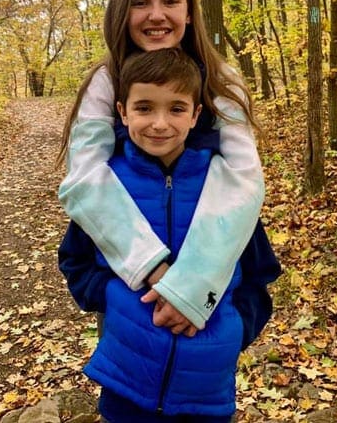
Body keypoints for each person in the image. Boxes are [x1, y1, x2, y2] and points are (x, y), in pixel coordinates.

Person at [57, 0, 265, 337]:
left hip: (213, 279)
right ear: (122, 12)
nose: (156, 14)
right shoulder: (106, 81)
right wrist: (150, 269)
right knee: (128, 384)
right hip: (133, 284)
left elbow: (245, 180)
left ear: (188, 12)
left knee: (201, 384)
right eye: (140, 3)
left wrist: (191, 288)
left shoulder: (223, 82)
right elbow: (84, 178)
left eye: (170, 0)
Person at [59, 48, 270, 421]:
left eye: (175, 109)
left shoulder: (226, 187)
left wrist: (236, 329)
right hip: (125, 385)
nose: (159, 123)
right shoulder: (109, 185)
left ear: (196, 116)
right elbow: (75, 259)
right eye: (144, 108)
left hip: (207, 392)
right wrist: (112, 297)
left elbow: (257, 273)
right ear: (122, 112)